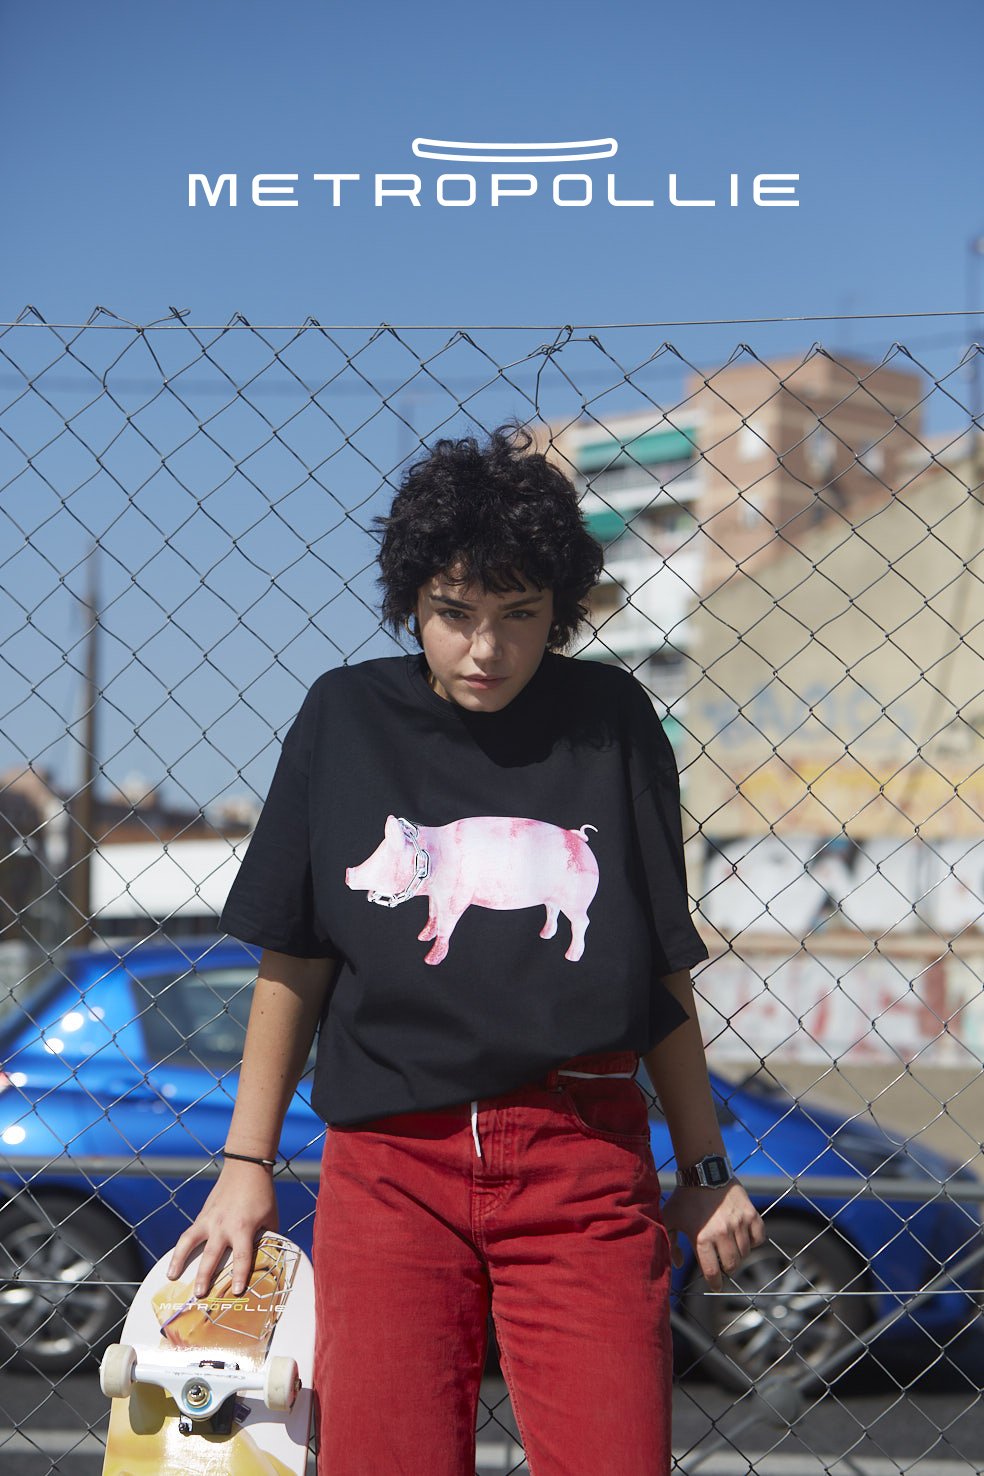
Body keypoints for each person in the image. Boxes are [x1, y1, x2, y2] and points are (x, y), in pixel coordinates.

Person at [169, 424, 765, 1476]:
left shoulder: (614, 719)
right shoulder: (345, 717)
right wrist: (245, 1166)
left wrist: (706, 1166)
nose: (486, 649)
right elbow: (295, 957)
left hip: (581, 1159)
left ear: (560, 610)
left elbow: (659, 965)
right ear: (412, 600)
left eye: (520, 615)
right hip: (391, 1167)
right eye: (455, 613)